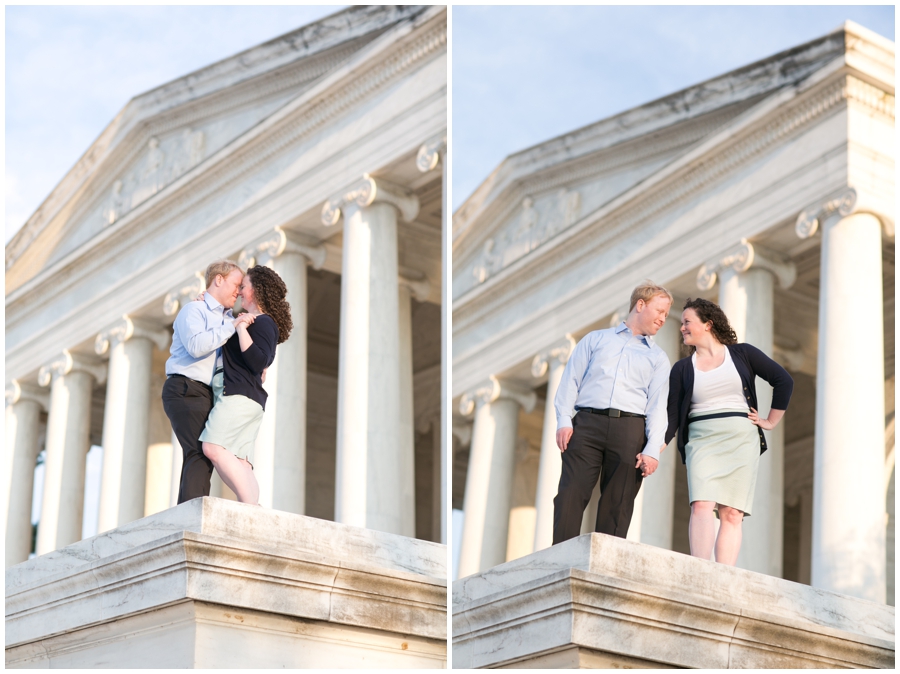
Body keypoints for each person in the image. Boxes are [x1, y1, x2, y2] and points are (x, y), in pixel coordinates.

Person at [666, 297, 793, 565]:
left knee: (732, 513)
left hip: (741, 440)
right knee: (701, 504)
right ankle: (700, 570)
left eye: (687, 322)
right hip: (702, 441)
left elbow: (783, 381)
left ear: (708, 324)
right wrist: (656, 446)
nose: (682, 327)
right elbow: (672, 415)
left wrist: (770, 421)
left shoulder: (743, 354)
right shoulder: (681, 369)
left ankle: (725, 576)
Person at [552, 282, 672, 544]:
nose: (663, 319)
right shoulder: (596, 339)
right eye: (660, 311)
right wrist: (563, 420)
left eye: (666, 314)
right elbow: (570, 382)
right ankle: (558, 557)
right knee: (570, 493)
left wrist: (652, 449)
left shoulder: (659, 358)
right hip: (586, 424)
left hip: (629, 430)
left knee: (619, 501)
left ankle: (607, 561)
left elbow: (656, 406)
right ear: (640, 305)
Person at [199, 264, 293, 504]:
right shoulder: (252, 320)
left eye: (244, 286)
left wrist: (241, 329)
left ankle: (249, 506)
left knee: (212, 447)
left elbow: (259, 360)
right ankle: (252, 508)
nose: (239, 291)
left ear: (257, 290)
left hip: (239, 397)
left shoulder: (263, 323)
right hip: (246, 398)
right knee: (240, 459)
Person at [162, 260, 252, 504]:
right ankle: (191, 517)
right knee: (199, 453)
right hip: (185, 388)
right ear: (218, 280)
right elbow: (196, 346)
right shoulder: (194, 310)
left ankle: (191, 512)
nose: (239, 291)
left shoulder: (226, 319)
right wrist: (232, 326)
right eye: (236, 284)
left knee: (206, 453)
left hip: (208, 394)